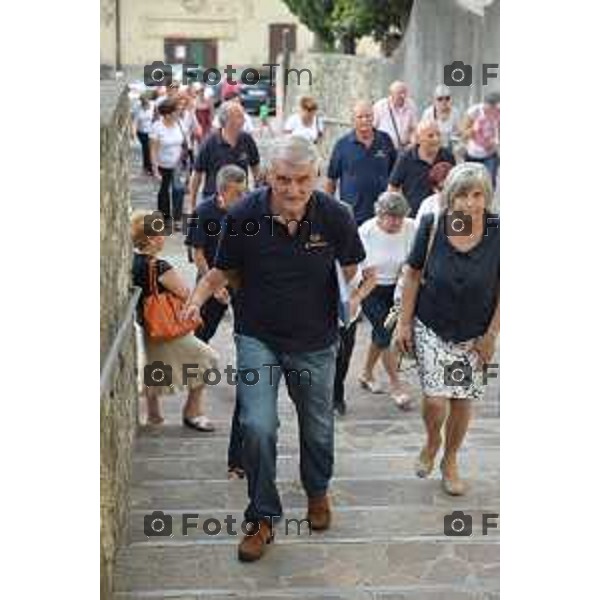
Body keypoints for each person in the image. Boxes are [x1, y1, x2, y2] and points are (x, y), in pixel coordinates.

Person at [182, 136, 366, 562]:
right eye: (283, 179)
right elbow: (221, 272)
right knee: (258, 425)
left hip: (315, 341)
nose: (293, 190)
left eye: (302, 180)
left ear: (316, 177)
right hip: (257, 336)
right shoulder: (245, 213)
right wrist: (194, 302)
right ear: (268, 176)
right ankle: (262, 515)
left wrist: (344, 297)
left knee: (317, 428)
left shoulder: (336, 216)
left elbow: (351, 268)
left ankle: (317, 490)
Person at [396, 163, 500, 496]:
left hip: (474, 332)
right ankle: (431, 441)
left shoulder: (501, 231)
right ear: (449, 197)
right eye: (462, 196)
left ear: (487, 197)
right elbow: (412, 275)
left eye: (477, 195)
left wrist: (491, 336)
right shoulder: (432, 225)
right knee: (437, 400)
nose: (470, 203)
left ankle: (450, 459)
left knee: (462, 401)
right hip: (432, 324)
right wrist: (403, 323)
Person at [185, 164, 248, 479]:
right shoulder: (203, 212)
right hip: (210, 286)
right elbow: (197, 253)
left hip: (242, 285)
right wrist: (216, 286)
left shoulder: (249, 211)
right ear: (224, 191)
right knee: (200, 347)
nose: (244, 196)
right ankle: (193, 407)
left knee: (249, 337)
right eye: (239, 192)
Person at [131, 209, 218, 431]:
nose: (165, 236)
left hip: (148, 326)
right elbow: (185, 292)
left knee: (154, 368)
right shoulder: (159, 267)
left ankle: (154, 416)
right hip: (166, 328)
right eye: (160, 232)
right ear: (150, 237)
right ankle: (193, 412)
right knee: (206, 359)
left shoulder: (133, 262)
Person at [357, 191, 416, 409]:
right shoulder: (366, 231)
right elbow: (366, 272)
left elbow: (415, 259)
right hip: (372, 289)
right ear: (379, 215)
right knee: (385, 332)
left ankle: (366, 373)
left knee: (381, 334)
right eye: (391, 217)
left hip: (398, 288)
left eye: (400, 217)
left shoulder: (412, 226)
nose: (396, 222)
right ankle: (396, 385)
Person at [325, 101, 397, 226]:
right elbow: (331, 180)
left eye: (368, 116)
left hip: (382, 214)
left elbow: (396, 176)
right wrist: (327, 209)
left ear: (373, 117)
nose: (364, 120)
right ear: (353, 119)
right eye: (360, 117)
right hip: (352, 215)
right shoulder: (342, 145)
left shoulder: (385, 140)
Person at [188, 101, 260, 210]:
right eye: (239, 116)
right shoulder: (210, 142)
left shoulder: (247, 140)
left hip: (240, 200)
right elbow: (196, 175)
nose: (244, 120)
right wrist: (192, 205)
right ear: (227, 120)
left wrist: (258, 197)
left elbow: (256, 169)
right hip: (215, 200)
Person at [388, 119, 455, 217]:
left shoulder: (447, 156)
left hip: (442, 215)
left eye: (438, 134)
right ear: (418, 139)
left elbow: (456, 184)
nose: (436, 139)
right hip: (414, 216)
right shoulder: (406, 158)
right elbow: (393, 188)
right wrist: (399, 211)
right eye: (430, 136)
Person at [149, 98, 186, 227]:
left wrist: (182, 160)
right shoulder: (157, 127)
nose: (179, 113)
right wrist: (155, 170)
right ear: (168, 113)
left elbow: (183, 144)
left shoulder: (180, 123)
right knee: (163, 191)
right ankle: (165, 218)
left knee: (179, 190)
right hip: (162, 165)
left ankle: (177, 218)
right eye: (176, 111)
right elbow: (153, 150)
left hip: (177, 165)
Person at [462, 92, 500, 188]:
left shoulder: (499, 113)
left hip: (490, 155)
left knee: (489, 182)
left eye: (495, 106)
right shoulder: (474, 112)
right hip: (472, 154)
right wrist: (474, 128)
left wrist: (496, 143)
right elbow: (464, 133)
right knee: (470, 183)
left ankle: (487, 202)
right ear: (484, 103)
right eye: (490, 105)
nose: (492, 109)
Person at [373, 81, 418, 152]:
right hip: (384, 148)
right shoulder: (380, 106)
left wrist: (412, 143)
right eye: (399, 93)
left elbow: (414, 128)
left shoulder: (411, 105)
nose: (402, 96)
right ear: (391, 94)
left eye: (404, 92)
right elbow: (373, 128)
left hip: (404, 148)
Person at [421, 84, 462, 153]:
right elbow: (423, 134)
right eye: (440, 99)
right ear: (434, 100)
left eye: (447, 98)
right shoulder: (428, 113)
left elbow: (459, 133)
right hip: (433, 146)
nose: (444, 101)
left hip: (450, 147)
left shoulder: (455, 113)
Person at [414, 161, 454, 229]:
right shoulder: (428, 204)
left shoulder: (464, 204)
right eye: (441, 189)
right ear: (434, 188)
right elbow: (418, 230)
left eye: (450, 187)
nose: (446, 192)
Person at [132, 96, 154, 175]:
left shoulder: (153, 105)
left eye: (147, 104)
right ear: (142, 103)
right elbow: (135, 123)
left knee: (149, 149)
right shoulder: (138, 110)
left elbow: (156, 117)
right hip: (141, 132)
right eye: (145, 104)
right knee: (146, 149)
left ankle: (149, 167)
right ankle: (148, 168)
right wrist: (133, 134)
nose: (146, 106)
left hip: (151, 131)